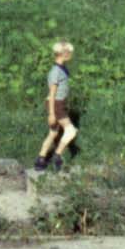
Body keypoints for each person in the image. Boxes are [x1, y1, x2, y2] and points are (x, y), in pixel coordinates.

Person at [35, 39, 79, 172]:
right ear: (62, 53)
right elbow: (52, 93)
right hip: (56, 104)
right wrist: (51, 114)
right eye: (68, 52)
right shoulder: (55, 71)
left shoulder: (62, 68)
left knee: (53, 132)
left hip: (59, 103)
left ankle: (41, 159)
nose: (71, 54)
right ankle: (57, 155)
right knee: (71, 130)